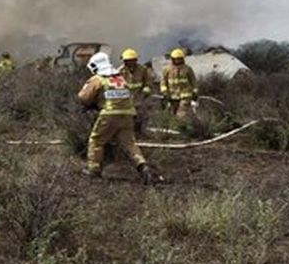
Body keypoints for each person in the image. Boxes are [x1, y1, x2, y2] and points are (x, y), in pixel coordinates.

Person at [77, 52, 154, 184]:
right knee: (129, 143)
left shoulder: (98, 79)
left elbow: (83, 97)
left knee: (97, 140)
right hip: (127, 115)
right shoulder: (121, 78)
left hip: (109, 115)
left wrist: (93, 104)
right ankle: (143, 166)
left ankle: (93, 170)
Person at [118, 48, 155, 134]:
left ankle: (138, 132)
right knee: (127, 117)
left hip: (139, 97)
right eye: (128, 60)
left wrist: (147, 88)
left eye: (132, 60)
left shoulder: (142, 69)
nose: (130, 62)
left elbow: (148, 81)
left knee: (140, 116)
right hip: (125, 98)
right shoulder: (120, 71)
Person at [160, 48, 198, 119]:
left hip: (185, 96)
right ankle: (178, 128)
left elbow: (193, 81)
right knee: (172, 115)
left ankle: (180, 125)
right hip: (172, 96)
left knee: (181, 115)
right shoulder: (167, 69)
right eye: (176, 59)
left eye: (180, 59)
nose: (178, 60)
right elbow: (163, 82)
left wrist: (195, 92)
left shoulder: (187, 69)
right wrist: (164, 92)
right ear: (172, 59)